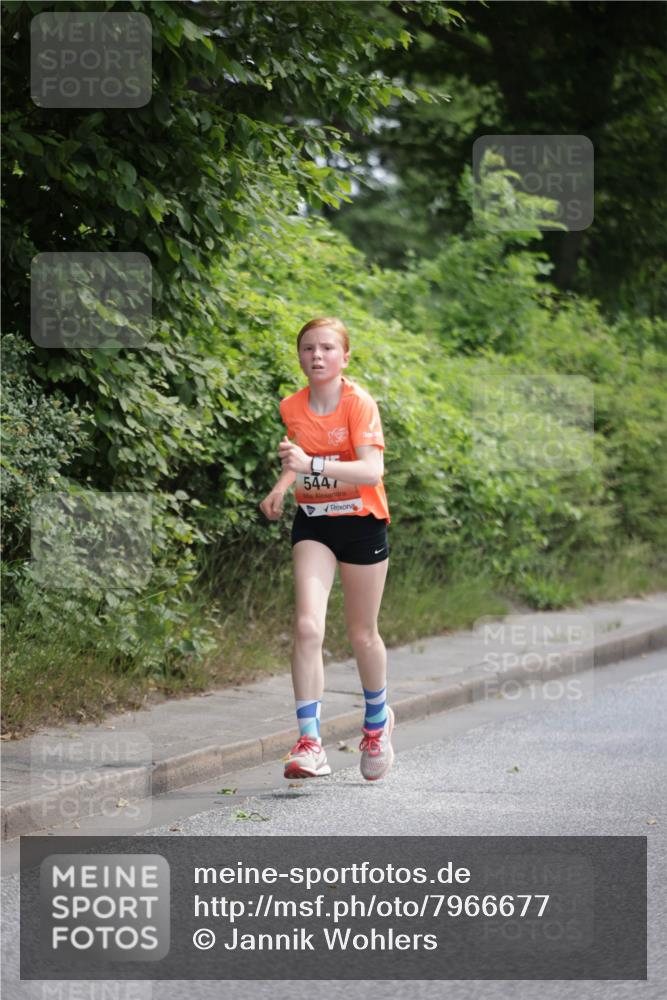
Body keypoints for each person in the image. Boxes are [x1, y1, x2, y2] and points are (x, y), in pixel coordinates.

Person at [259, 316, 394, 782]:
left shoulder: (359, 404)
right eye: (307, 349)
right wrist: (282, 486)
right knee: (306, 626)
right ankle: (310, 742)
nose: (316, 356)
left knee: (362, 635)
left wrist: (311, 462)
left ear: (344, 357)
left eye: (326, 349)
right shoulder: (291, 406)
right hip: (314, 523)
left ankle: (377, 724)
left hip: (361, 523)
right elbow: (299, 455)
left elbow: (371, 471)